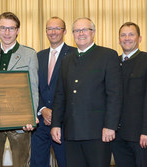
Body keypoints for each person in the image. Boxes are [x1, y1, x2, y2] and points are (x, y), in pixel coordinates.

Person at [50, 17, 122, 167]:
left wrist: (110, 126)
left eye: (85, 30)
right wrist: (56, 124)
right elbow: (60, 95)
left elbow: (114, 94)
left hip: (98, 132)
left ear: (93, 32)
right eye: (77, 30)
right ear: (72, 34)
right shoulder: (66, 61)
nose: (80, 33)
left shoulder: (107, 56)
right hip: (72, 132)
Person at [0, 12, 38, 167]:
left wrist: (30, 117)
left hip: (19, 120)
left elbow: (33, 88)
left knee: (21, 163)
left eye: (11, 28)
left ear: (18, 30)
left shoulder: (29, 54)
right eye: (3, 28)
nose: (7, 32)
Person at [111, 22, 147, 167]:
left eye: (131, 34)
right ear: (118, 39)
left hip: (141, 136)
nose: (127, 38)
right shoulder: (113, 63)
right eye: (123, 35)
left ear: (140, 38)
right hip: (117, 136)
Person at [30, 17, 76, 167]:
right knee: (37, 163)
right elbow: (34, 86)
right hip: (40, 123)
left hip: (64, 122)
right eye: (50, 28)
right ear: (46, 32)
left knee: (66, 162)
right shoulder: (38, 56)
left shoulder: (74, 55)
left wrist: (56, 112)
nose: (53, 32)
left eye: (57, 28)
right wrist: (42, 109)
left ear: (65, 31)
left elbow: (74, 90)